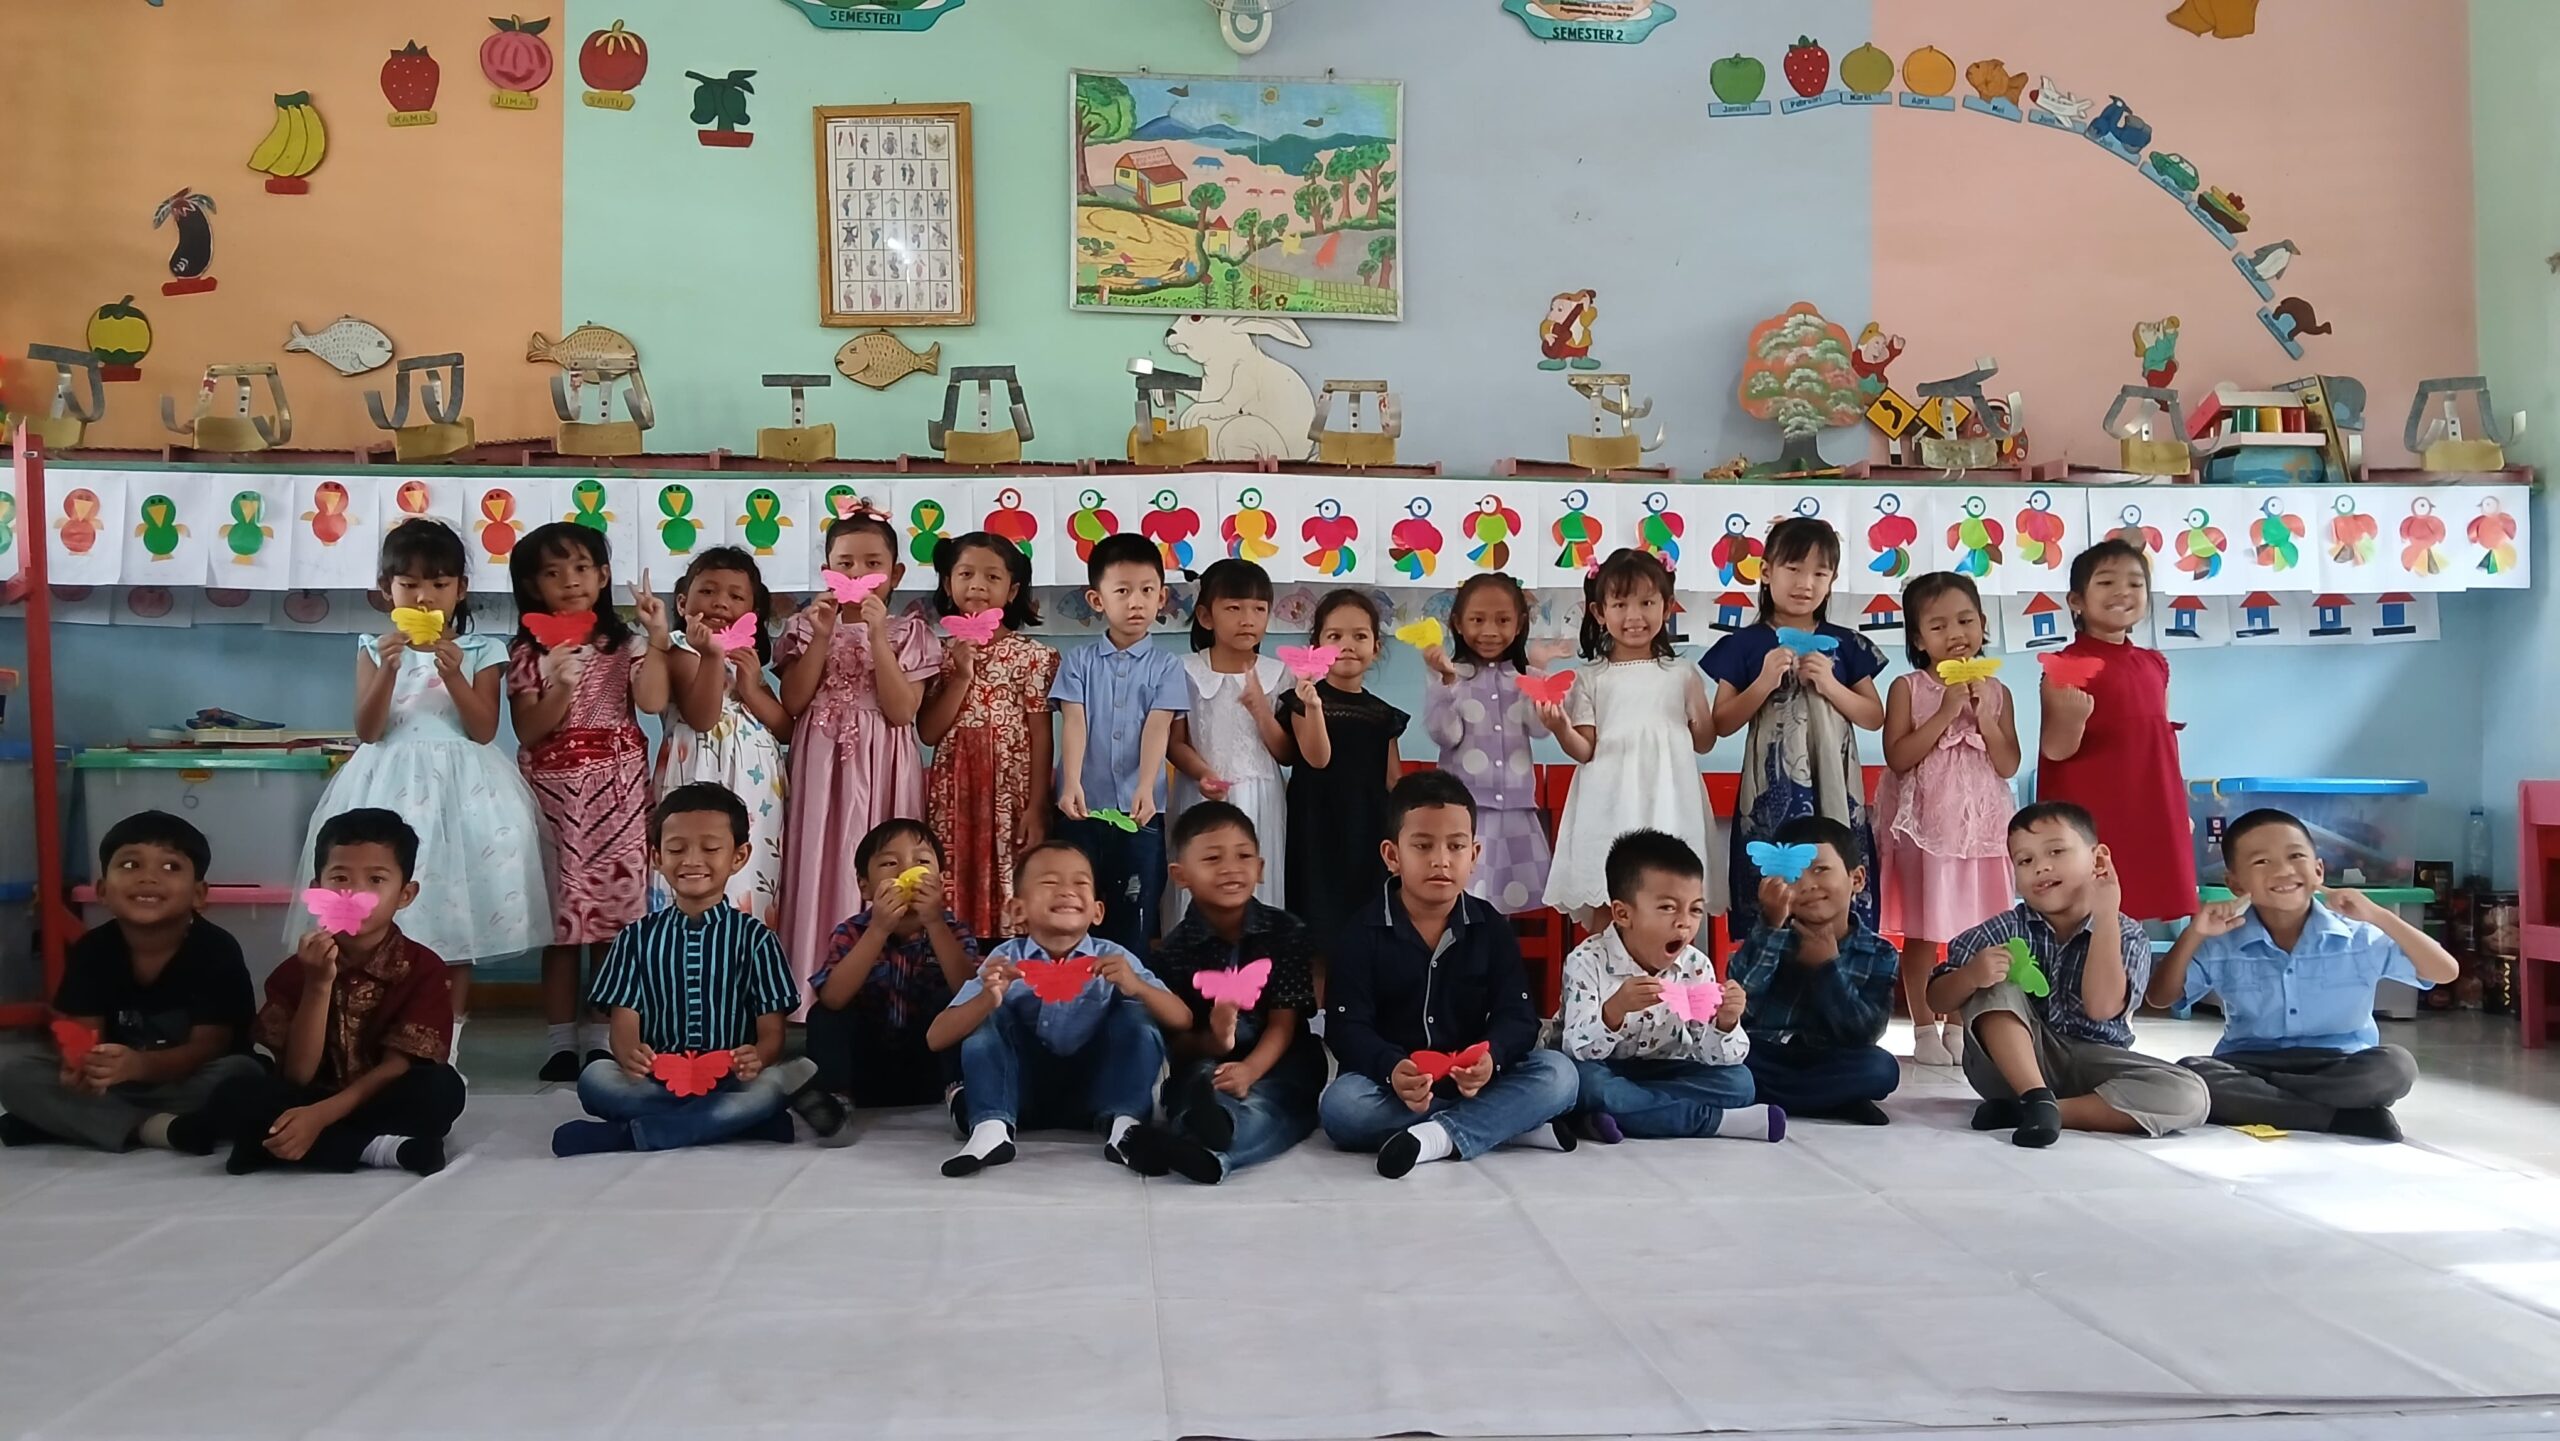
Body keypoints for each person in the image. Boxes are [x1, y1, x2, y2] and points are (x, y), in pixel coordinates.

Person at [287, 517, 548, 1074]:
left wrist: (452, 673)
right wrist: (389, 668)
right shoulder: (372, 648)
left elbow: (482, 729)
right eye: (409, 584)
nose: (424, 596)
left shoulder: (481, 648)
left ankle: (444, 1050)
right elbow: (368, 729)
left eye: (439, 583)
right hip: (387, 787)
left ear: (461, 590)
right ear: (387, 591)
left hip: (464, 793)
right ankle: (363, 1041)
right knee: (381, 912)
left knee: (457, 920)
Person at [1320, 770, 1579, 1178]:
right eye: (1423, 846)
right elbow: (1346, 1027)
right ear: (1392, 855)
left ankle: (1436, 1137)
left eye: (1456, 846)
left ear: (1474, 855)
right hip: (1396, 1085)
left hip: (1473, 1078)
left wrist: (1492, 1058)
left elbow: (1518, 1016)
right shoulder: (1361, 932)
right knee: (1342, 1107)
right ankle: (1508, 1124)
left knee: (1560, 1075)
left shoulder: (1490, 927)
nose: (1441, 860)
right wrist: (1392, 1068)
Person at [2149, 808, 2459, 1141]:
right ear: (2234, 883)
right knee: (2194, 1072)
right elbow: (2160, 997)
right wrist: (2194, 934)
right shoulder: (2223, 940)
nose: (2283, 870)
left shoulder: (2357, 936)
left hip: (2340, 1064)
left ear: (2318, 869)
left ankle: (2277, 1103)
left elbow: (2445, 971)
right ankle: (2339, 1117)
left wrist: (2378, 915)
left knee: (2396, 1066)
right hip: (2250, 1062)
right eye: (2261, 861)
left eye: (2295, 856)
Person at [190, 809, 465, 1175]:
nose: (353, 893)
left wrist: (322, 1116)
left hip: (380, 1095)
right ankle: (381, 1149)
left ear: (405, 894)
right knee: (237, 1093)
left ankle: (297, 1145)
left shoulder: (423, 968)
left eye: (376, 879)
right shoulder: (294, 971)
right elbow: (297, 1075)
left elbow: (397, 1065)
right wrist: (318, 985)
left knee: (441, 1089)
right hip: (308, 1094)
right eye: (340, 878)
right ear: (317, 887)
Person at [1926, 803, 2210, 1147]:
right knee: (1996, 985)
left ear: (2098, 860)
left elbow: (2102, 1008)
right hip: (2011, 1067)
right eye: (2025, 861)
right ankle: (2033, 1095)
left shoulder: (2127, 934)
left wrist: (2106, 917)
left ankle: (2037, 1111)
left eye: (2056, 852)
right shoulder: (2002, 928)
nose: (2041, 867)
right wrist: (1972, 976)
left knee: (2191, 1095)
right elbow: (1936, 999)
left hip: (2093, 1062)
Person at [552, 784, 813, 1156]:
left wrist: (758, 1055)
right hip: (656, 1080)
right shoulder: (635, 939)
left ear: (739, 857)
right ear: (657, 857)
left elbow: (771, 1034)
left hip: (731, 1079)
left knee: (772, 1084)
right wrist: (630, 1054)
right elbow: (624, 1026)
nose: (692, 860)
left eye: (710, 849)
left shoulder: (757, 940)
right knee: (595, 1079)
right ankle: (738, 1120)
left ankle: (633, 1135)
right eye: (676, 849)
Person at [508, 521, 672, 1081]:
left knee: (611, 925)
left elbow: (653, 702)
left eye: (581, 568)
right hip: (554, 803)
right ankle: (560, 1043)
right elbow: (529, 730)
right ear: (533, 587)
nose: (570, 581)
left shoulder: (624, 644)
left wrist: (657, 637)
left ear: (603, 576)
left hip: (618, 799)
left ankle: (604, 1039)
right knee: (560, 930)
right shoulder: (526, 652)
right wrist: (559, 683)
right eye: (553, 573)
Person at [927, 840, 1193, 1177]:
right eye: (1050, 882)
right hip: (1023, 1095)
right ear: (1018, 910)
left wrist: (1138, 987)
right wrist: (986, 1000)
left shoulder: (1114, 958)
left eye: (1080, 882)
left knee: (1136, 1014)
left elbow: (1182, 1019)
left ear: (1097, 911)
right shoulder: (1005, 961)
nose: (1067, 891)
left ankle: (1126, 1129)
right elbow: (936, 1038)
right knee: (988, 1015)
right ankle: (991, 1129)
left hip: (1097, 1094)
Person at [0, 812, 260, 1152]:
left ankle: (77, 1123)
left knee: (242, 1074)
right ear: (102, 891)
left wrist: (140, 1065)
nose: (148, 878)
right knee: (14, 1072)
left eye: (170, 867)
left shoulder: (215, 949)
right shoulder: (92, 949)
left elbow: (208, 1048)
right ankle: (153, 1128)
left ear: (199, 894)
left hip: (187, 1080)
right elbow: (83, 1038)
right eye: (130, 865)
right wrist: (81, 1067)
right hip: (116, 1084)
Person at [779, 499, 942, 988]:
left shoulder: (910, 632)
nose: (857, 574)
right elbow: (794, 700)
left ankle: (885, 987)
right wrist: (821, 636)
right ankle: (812, 985)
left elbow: (902, 711)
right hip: (820, 760)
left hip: (885, 761)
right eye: (845, 563)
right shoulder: (804, 626)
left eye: (872, 564)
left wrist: (876, 635)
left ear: (895, 573)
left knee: (888, 860)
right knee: (818, 859)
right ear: (827, 571)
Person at [1118, 802, 1323, 1184]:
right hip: (1209, 1062)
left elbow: (1284, 1023)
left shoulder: (1286, 932)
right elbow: (1178, 1045)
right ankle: (1207, 1140)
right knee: (1192, 1084)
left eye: (1243, 856)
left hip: (1280, 1060)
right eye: (1212, 858)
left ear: (1260, 868)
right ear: (1180, 875)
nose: (1231, 868)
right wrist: (1214, 1040)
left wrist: (1250, 1070)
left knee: (1276, 1104)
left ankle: (1201, 1142)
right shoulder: (1173, 951)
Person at [1701, 517, 1887, 937]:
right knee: (1775, 890)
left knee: (1836, 879)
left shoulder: (1846, 643)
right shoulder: (1744, 644)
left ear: (1832, 580)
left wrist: (1831, 685)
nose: (1806, 583)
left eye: (1820, 573)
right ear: (1766, 572)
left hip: (1835, 790)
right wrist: (1764, 683)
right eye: (1794, 569)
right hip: (1771, 789)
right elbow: (1722, 723)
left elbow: (1873, 716)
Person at [1875, 571, 2020, 1067]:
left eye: (1965, 620)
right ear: (1918, 639)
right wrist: (1944, 712)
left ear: (1982, 624)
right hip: (1926, 834)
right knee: (1924, 931)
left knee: (1972, 933)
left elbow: (2008, 763)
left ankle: (1959, 1025)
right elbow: (1899, 757)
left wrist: (1983, 716)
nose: (1955, 633)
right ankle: (1922, 1027)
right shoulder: (1907, 687)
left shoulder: (1998, 691)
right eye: (1937, 626)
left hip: (1982, 833)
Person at [1557, 829, 1778, 1143]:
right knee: (1585, 1083)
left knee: (1739, 1082)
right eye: (1668, 908)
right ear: (1622, 914)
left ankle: (1620, 1115)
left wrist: (1726, 1023)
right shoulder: (1587, 961)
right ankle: (1713, 1122)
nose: (1684, 922)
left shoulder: (1696, 966)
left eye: (1695, 909)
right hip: (1606, 1068)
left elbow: (1712, 1054)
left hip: (1670, 1070)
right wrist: (1614, 1010)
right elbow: (1576, 1049)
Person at [1541, 548, 1718, 927]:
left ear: (1667, 607)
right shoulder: (1590, 678)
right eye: (1620, 604)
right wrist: (1560, 728)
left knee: (1672, 898)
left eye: (1647, 603)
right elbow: (1584, 749)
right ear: (1599, 612)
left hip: (1669, 800)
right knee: (1610, 897)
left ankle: (1670, 967)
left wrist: (1700, 705)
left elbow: (1704, 742)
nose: (1634, 616)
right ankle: (1603, 967)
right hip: (1608, 803)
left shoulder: (1682, 674)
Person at [2038, 539, 2196, 921]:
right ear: (2076, 601)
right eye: (2107, 582)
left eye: (2135, 583)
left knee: (2143, 910)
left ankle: (2136, 964)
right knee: (2092, 911)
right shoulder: (2065, 664)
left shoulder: (2154, 663)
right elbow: (2055, 749)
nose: (2123, 591)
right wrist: (2074, 718)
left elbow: (2160, 739)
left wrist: (2179, 806)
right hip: (2096, 812)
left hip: (2150, 804)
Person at [1048, 533, 1187, 959]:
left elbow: (1158, 728)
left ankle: (1130, 987)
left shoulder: (1167, 666)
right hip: (1081, 809)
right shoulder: (1079, 661)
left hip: (1140, 811)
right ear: (1097, 600)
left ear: (1161, 597)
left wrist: (1145, 786)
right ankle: (1075, 986)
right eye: (1122, 591)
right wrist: (1071, 782)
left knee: (1135, 908)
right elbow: (1074, 721)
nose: (1136, 602)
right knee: (1075, 904)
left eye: (1147, 591)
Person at [795, 819, 979, 1135]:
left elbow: (970, 992)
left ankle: (962, 1098)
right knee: (825, 1015)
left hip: (930, 1069)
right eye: (890, 863)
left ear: (941, 882)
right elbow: (833, 998)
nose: (906, 870)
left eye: (922, 862)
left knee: (957, 1004)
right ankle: (834, 1102)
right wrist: (879, 929)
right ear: (865, 886)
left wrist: (934, 923)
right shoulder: (852, 931)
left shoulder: (954, 931)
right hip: (865, 1070)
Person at [921, 532, 1057, 941]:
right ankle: (956, 957)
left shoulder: (1032, 656)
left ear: (1012, 591)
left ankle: (1010, 956)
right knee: (955, 873)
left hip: (1010, 789)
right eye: (966, 574)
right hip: (954, 788)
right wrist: (961, 674)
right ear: (948, 584)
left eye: (992, 577)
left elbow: (1041, 735)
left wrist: (1038, 806)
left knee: (1010, 873)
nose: (978, 585)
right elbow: (928, 732)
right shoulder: (936, 652)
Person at [1731, 815, 1904, 1125]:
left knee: (1881, 1069)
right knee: (1725, 1061)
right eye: (1793, 874)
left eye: (1820, 869)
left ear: (1857, 879)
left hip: (1832, 1057)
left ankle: (1776, 1097)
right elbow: (1740, 1006)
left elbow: (1864, 1033)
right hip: (1765, 1052)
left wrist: (1827, 968)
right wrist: (1771, 927)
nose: (1807, 884)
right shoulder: (1770, 934)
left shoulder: (1880, 953)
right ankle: (1833, 1101)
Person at [654, 546, 789, 928]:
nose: (720, 602)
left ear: (753, 612)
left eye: (735, 596)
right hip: (701, 775)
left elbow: (785, 728)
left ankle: (744, 952)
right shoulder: (681, 649)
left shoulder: (746, 658)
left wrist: (751, 686)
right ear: (683, 603)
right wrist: (713, 657)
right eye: (708, 591)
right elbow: (702, 717)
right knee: (699, 867)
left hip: (756, 794)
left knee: (751, 874)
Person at [1275, 589, 1410, 945]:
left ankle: (1361, 982)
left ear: (1376, 648)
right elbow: (1316, 758)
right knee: (1316, 925)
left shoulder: (1382, 713)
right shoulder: (1302, 699)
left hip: (1367, 829)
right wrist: (1313, 705)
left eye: (1360, 636)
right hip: (1315, 829)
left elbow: (1394, 779)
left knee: (1366, 926)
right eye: (1334, 636)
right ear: (1315, 647)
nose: (1347, 645)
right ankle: (1319, 985)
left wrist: (1408, 830)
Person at [1421, 573, 1557, 914]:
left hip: (1515, 810)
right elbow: (1445, 735)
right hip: (1465, 813)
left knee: (1503, 905)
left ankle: (1496, 949)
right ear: (1458, 623)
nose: (1490, 631)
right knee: (1463, 901)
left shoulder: (1523, 678)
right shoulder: (1451, 675)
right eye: (1477, 620)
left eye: (1503, 620)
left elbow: (1540, 729)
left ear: (1520, 624)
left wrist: (1538, 673)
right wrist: (1446, 681)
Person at [1166, 558, 1290, 919]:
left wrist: (1262, 711)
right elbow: (1175, 742)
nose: (1247, 619)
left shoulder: (1280, 674)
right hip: (1199, 793)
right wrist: (1202, 773)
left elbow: (1286, 753)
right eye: (1234, 608)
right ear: (1207, 617)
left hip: (1262, 796)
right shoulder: (1184, 669)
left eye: (1258, 609)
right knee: (1199, 878)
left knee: (1257, 882)